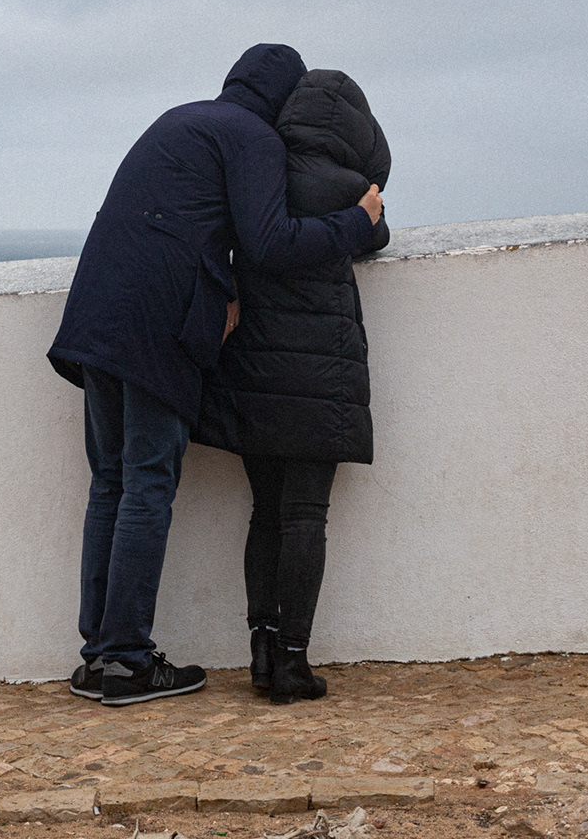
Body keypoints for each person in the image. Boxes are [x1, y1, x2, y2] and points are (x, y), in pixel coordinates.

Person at [48, 44, 385, 707]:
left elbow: (187, 219)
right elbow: (271, 242)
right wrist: (356, 220)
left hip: (97, 308)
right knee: (146, 481)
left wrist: (224, 278)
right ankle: (127, 661)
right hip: (154, 320)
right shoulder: (254, 138)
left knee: (111, 481)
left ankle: (100, 655)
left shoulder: (185, 119)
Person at [194, 68, 391, 704]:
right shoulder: (350, 190)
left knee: (266, 511)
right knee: (306, 514)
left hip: (254, 371)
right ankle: (294, 662)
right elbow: (376, 236)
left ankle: (259, 649)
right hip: (319, 376)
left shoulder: (260, 175)